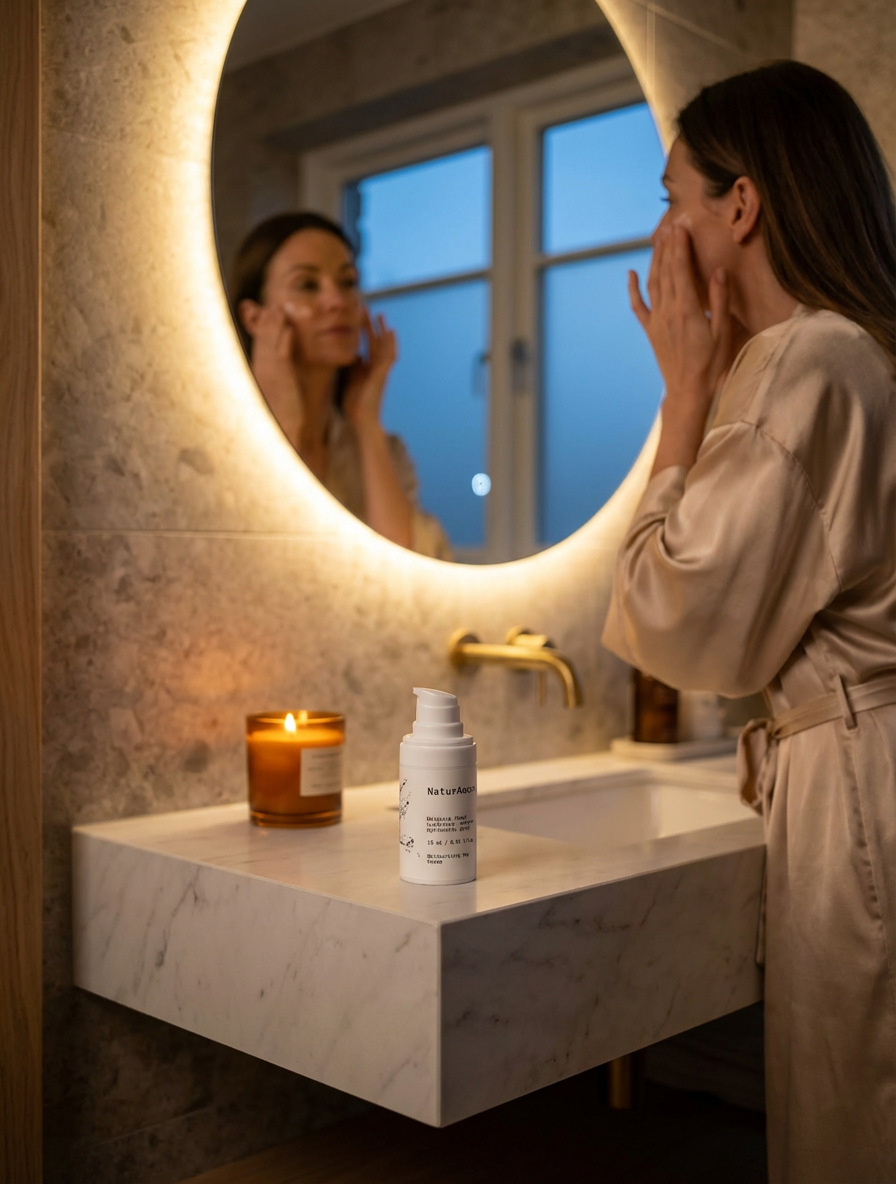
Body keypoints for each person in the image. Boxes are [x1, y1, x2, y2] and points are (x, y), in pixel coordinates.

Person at [602, 61, 896, 1183]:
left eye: (671, 198)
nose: (661, 231)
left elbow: (677, 628)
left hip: (859, 789)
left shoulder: (805, 363)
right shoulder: (853, 348)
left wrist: (681, 399)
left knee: (852, 1130)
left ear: (739, 205)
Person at [229, 211, 451, 559]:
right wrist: (287, 426)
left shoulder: (384, 451)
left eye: (347, 282)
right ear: (254, 318)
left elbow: (408, 575)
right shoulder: (223, 448)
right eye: (307, 285)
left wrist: (366, 424)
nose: (337, 302)